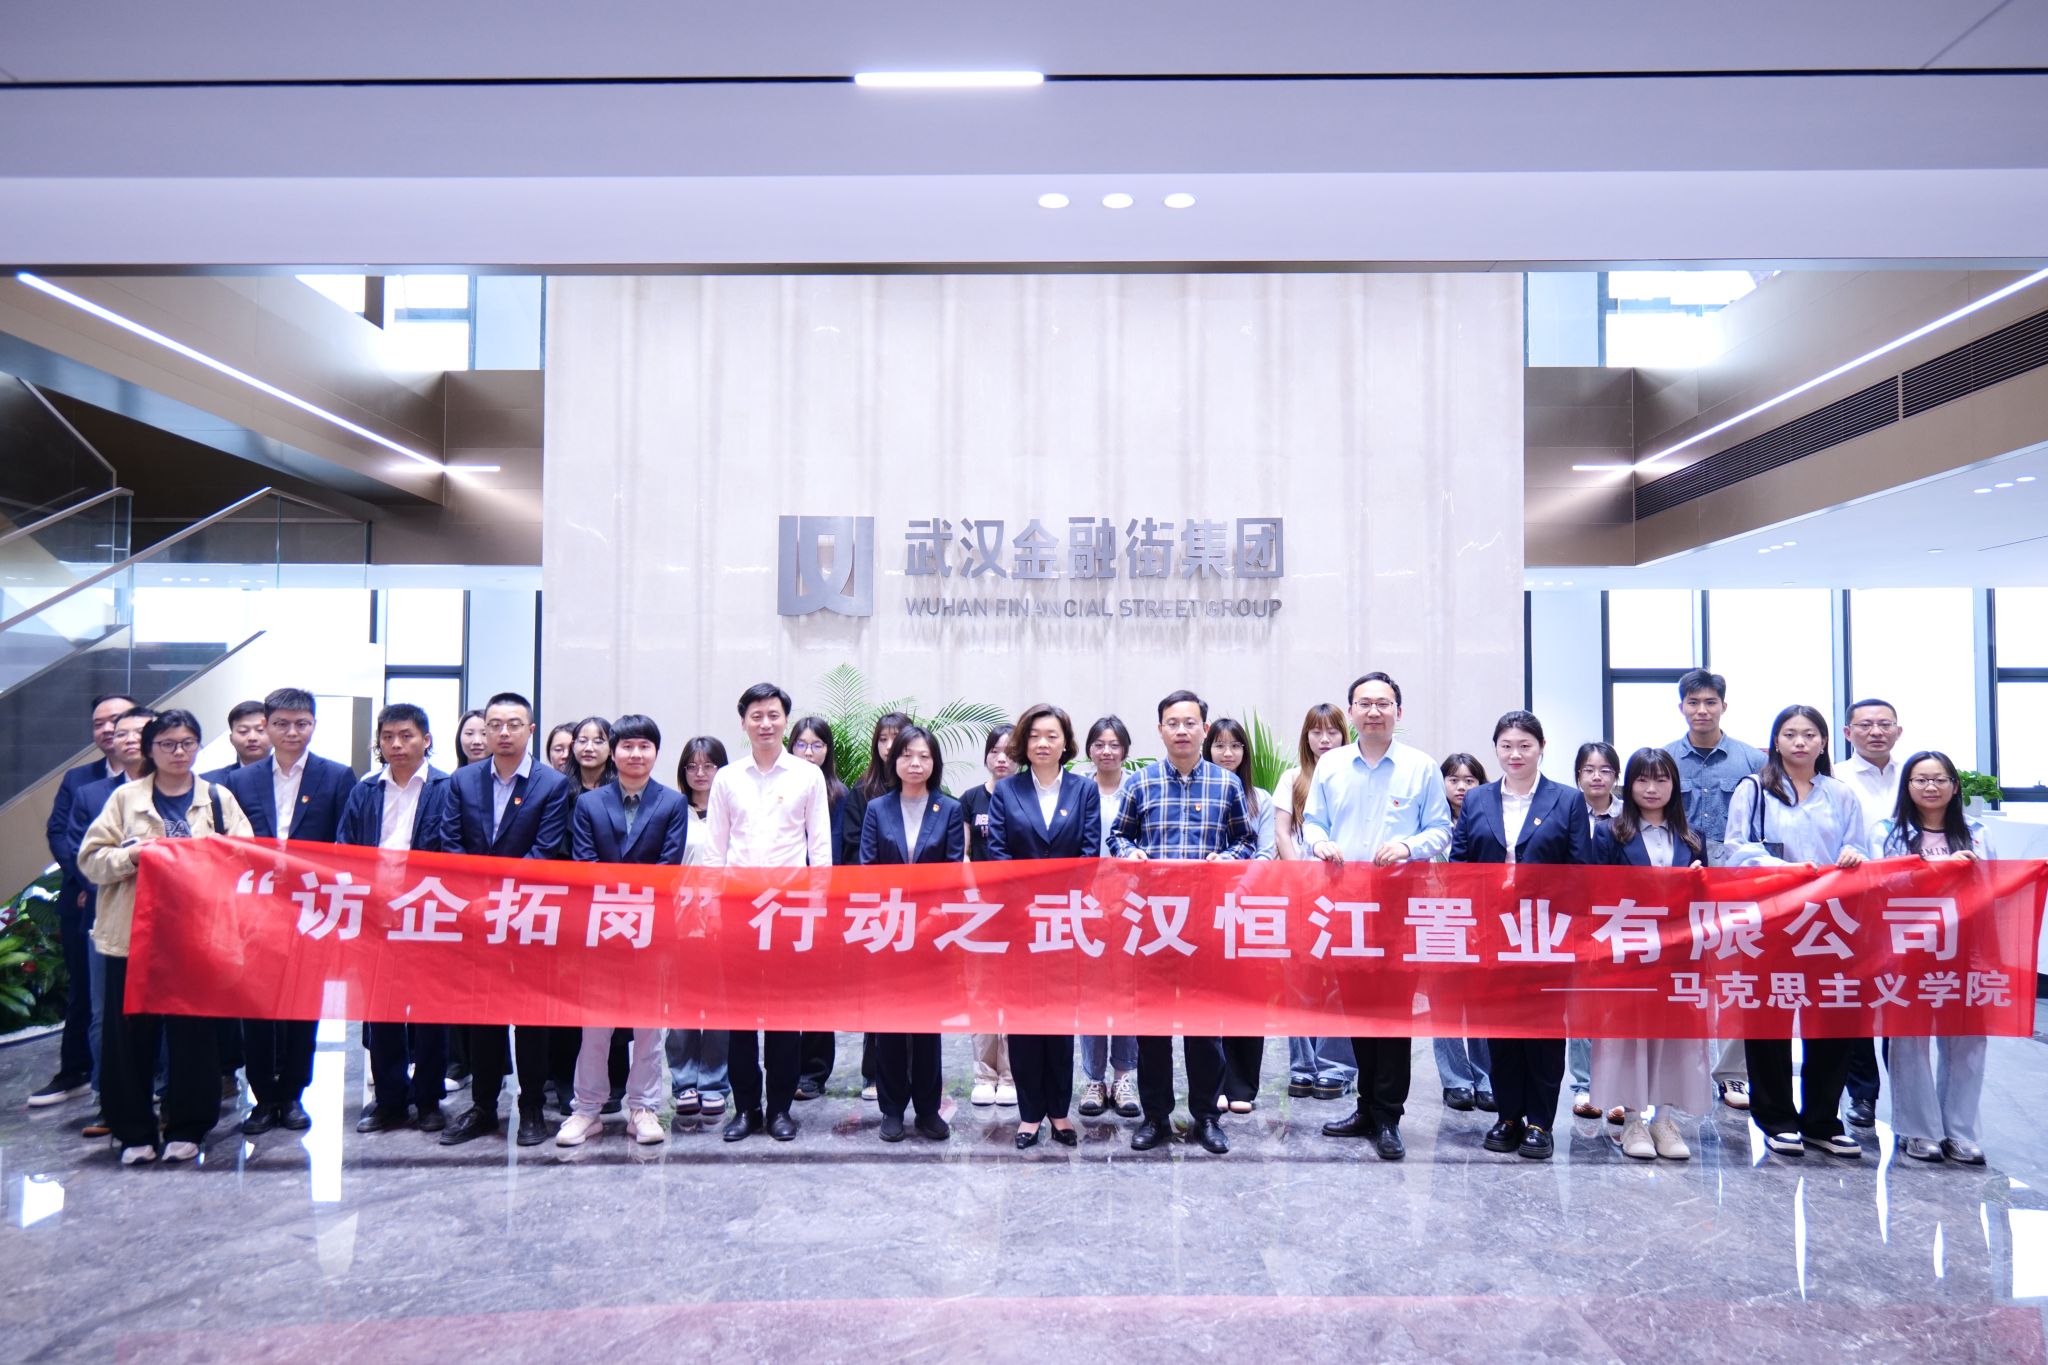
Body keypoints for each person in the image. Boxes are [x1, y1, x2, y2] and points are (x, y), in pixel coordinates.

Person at [78, 709, 253, 1164]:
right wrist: (133, 857)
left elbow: (246, 857)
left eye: (187, 743)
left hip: (196, 939)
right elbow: (91, 861)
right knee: (128, 1038)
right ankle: (133, 1132)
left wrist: (211, 857)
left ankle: (188, 1127)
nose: (179, 752)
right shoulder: (124, 799)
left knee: (193, 1037)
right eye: (168, 744)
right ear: (150, 749)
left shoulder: (216, 798)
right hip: (132, 940)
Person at [1300, 672, 1456, 1162]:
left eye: (1383, 703)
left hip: (1398, 906)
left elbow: (1441, 829)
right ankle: (1365, 1107)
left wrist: (1408, 846)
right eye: (1364, 703)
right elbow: (1312, 821)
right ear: (1351, 712)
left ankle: (1388, 1115)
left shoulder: (1420, 766)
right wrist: (1319, 842)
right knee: (1357, 1008)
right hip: (1345, 905)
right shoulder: (1331, 765)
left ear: (1398, 712)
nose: (1373, 711)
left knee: (1392, 1013)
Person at [1107, 689, 1256, 1155]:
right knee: (1152, 1029)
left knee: (1205, 1030)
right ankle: (1155, 1117)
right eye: (1173, 723)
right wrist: (1131, 854)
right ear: (1160, 730)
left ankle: (1206, 1117)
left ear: (1204, 729)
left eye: (1190, 723)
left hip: (1205, 925)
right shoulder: (1140, 783)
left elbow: (1247, 843)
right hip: (1152, 926)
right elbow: (1117, 836)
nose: (1182, 731)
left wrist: (1225, 860)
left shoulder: (1226, 785)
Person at [1723, 703, 1871, 1159]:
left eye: (1810, 734)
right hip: (1771, 919)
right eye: (1790, 734)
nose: (1800, 742)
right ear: (1776, 741)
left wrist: (1852, 856)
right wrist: (1785, 869)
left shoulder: (1840, 793)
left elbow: (1858, 846)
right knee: (1769, 1019)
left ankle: (1823, 1120)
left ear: (1824, 742)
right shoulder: (1753, 789)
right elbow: (1737, 849)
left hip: (1829, 921)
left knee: (1831, 1019)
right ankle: (1776, 1118)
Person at [435, 691, 575, 1147]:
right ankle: (482, 1107)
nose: (503, 732)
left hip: (527, 917)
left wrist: (499, 901)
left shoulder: (551, 784)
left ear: (530, 730)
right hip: (476, 918)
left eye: (514, 724)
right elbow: (451, 845)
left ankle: (531, 1105)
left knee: (531, 1017)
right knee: (483, 1016)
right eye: (494, 724)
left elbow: (545, 852)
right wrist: (478, 901)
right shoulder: (463, 780)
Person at [1453, 710, 1594, 1160]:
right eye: (1506, 746)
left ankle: (1540, 1123)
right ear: (1496, 749)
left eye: (1524, 746)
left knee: (1544, 1030)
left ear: (1541, 748)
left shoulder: (1567, 800)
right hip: (1492, 933)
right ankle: (1508, 1115)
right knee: (1500, 1029)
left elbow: (1581, 870)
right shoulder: (1478, 799)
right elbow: (1460, 865)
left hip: (1547, 933)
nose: (1515, 754)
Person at [224, 687, 357, 1137]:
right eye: (281, 724)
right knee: (257, 1006)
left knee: (303, 1004)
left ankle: (294, 1093)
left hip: (310, 908)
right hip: (256, 909)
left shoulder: (336, 776)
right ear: (267, 726)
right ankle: (263, 1098)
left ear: (314, 725)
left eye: (301, 723)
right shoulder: (240, 781)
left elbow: (346, 844)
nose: (292, 732)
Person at [704, 682, 831, 1143]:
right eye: (756, 715)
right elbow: (714, 849)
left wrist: (817, 909)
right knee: (739, 1020)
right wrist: (711, 908)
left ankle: (779, 1110)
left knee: (784, 1018)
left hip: (789, 911)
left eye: (773, 715)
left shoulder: (807, 776)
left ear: (785, 720)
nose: (765, 723)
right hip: (738, 912)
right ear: (743, 722)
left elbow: (820, 848)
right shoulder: (727, 778)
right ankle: (746, 1109)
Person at [560, 714, 687, 1148]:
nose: (636, 754)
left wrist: (632, 901)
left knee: (650, 1026)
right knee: (595, 1027)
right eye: (627, 746)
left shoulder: (672, 803)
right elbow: (585, 865)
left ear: (656, 752)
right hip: (601, 930)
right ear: (614, 753)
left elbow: (668, 869)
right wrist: (620, 902)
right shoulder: (589, 804)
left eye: (644, 746)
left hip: (653, 930)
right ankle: (587, 1110)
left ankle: (644, 1108)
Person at [985, 703, 1101, 1149]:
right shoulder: (1007, 791)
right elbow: (998, 854)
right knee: (1024, 1019)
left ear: (1065, 742)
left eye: (1052, 735)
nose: (1043, 743)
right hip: (1020, 923)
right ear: (1023, 742)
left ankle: (1059, 1111)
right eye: (1034, 736)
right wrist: (1030, 901)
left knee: (1060, 1019)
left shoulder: (1083, 790)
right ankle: (1030, 1114)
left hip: (1067, 922)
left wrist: (1057, 900)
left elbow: (1089, 854)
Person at [1872, 750, 1991, 1165]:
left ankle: (1960, 1132)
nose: (1930, 787)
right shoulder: (1887, 831)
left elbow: (1993, 887)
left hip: (1966, 949)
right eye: (1920, 779)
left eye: (1940, 779)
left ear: (1955, 787)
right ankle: (1918, 1130)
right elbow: (1882, 883)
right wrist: (1940, 870)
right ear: (1907, 786)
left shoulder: (1977, 832)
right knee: (1909, 1041)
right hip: (1908, 950)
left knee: (1968, 1042)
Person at [337, 703, 451, 1134]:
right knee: (380, 1012)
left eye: (406, 735)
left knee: (430, 1013)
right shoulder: (365, 790)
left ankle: (428, 1099)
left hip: (429, 914)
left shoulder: (447, 788)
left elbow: (456, 849)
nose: (397, 744)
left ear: (426, 739)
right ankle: (389, 1100)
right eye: (388, 737)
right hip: (376, 916)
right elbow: (345, 847)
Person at [1589, 748, 1709, 1160]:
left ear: (1674, 785)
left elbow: (1707, 902)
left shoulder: (1692, 837)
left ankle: (1664, 1119)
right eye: (1642, 779)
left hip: (1679, 954)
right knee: (1628, 1036)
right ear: (1630, 784)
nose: (1651, 788)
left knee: (1673, 1036)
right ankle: (1632, 1120)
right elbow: (1595, 893)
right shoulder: (1609, 833)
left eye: (1661, 779)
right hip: (1628, 951)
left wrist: (1699, 882)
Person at [1661, 668, 1767, 1114]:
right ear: (1681, 707)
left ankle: (1732, 1073)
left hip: (1737, 885)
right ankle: (1680, 1069)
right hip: (1678, 885)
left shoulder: (1751, 761)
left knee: (1735, 978)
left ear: (1724, 705)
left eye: (1710, 702)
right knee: (1682, 978)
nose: (1701, 710)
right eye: (1693, 702)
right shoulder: (1664, 759)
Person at [859, 724, 964, 1143]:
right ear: (894, 760)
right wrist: (894, 919)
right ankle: (891, 1109)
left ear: (934, 762)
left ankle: (927, 1109)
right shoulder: (877, 808)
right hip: (887, 931)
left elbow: (953, 872)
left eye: (924, 756)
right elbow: (867, 869)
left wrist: (928, 921)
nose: (915, 763)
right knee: (888, 1025)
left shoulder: (949, 809)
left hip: (932, 935)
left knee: (926, 1027)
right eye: (907, 755)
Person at [30, 692, 135, 1110]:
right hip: (84, 897)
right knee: (85, 991)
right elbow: (60, 833)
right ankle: (75, 1071)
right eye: (99, 723)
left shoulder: (162, 775)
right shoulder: (79, 779)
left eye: (117, 721)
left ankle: (147, 1078)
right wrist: (90, 880)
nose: (108, 729)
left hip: (143, 902)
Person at [58, 705, 155, 1138]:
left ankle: (163, 1094)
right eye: (122, 732)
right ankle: (106, 1099)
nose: (130, 739)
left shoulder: (180, 788)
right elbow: (79, 849)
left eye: (140, 732)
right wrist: (97, 881)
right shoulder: (93, 793)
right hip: (110, 914)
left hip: (168, 921)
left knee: (165, 1012)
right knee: (106, 1015)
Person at [1274, 703, 1358, 1103]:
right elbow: (1282, 834)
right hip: (1301, 895)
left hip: (1347, 896)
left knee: (1341, 981)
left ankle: (1336, 1067)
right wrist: (1301, 881)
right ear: (1305, 737)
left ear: (1344, 734)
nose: (1324, 740)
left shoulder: (1356, 777)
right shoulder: (1293, 778)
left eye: (1332, 732)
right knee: (1299, 981)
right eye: (1316, 732)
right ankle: (1302, 1066)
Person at [1836, 698, 1904, 1127]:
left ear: (1898, 730)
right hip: (1853, 903)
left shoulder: (1915, 775)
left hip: (1908, 905)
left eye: (1884, 724)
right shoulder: (1834, 779)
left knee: (1900, 996)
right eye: (1865, 725)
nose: (1875, 732)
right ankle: (1862, 1095)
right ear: (1847, 733)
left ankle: (1909, 1100)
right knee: (1856, 998)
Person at [1206, 716, 1275, 1114]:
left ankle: (1242, 1087)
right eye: (1219, 745)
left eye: (1235, 746)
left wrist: (1239, 889)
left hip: (1249, 908)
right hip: (1203, 908)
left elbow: (1265, 854)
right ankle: (1213, 1083)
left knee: (1246, 996)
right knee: (1209, 997)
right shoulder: (1200, 792)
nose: (1227, 753)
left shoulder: (1260, 799)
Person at [1077, 715, 1140, 1119]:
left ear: (1126, 750)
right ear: (1089, 749)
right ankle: (1093, 1079)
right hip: (1087, 904)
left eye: (1114, 744)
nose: (1107, 751)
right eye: (1099, 744)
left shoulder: (1137, 788)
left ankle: (1124, 1076)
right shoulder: (1078, 790)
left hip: (1132, 904)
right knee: (1091, 993)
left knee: (1129, 991)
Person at [786, 716, 851, 1103]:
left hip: (825, 903)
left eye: (817, 745)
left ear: (828, 751)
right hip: (781, 903)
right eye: (801, 744)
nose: (809, 752)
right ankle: (783, 1068)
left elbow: (840, 851)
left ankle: (813, 1072)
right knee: (784, 990)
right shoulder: (779, 789)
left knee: (816, 990)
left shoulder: (839, 795)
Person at [666, 736, 731, 1121]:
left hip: (724, 921)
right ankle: (683, 1082)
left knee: (720, 1004)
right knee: (681, 1005)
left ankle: (714, 1083)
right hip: (680, 920)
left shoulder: (733, 811)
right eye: (692, 766)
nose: (701, 773)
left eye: (709, 766)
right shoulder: (673, 812)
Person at [959, 724, 1019, 1108]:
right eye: (995, 751)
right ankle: (984, 1074)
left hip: (1020, 911)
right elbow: (963, 854)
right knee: (981, 990)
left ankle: (1011, 1075)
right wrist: (974, 898)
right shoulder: (970, 799)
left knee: (1014, 990)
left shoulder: (1027, 797)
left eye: (1010, 753)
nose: (1002, 759)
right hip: (979, 910)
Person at [1431, 753, 1493, 1112]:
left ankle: (1486, 1078)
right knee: (1444, 1003)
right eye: (1453, 779)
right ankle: (1456, 1081)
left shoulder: (1490, 820)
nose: (1461, 787)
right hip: (1438, 921)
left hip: (1483, 923)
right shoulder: (1431, 822)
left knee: (1482, 1004)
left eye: (1470, 780)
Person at [1568, 741, 1623, 1121]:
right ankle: (1584, 1085)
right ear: (1578, 776)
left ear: (1616, 776)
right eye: (1589, 770)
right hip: (1576, 920)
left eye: (1605, 770)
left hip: (1621, 919)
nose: (1597, 777)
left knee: (1618, 1006)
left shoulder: (1629, 816)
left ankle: (1617, 1086)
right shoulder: (1567, 811)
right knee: (1581, 1004)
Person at [201, 699, 272, 782]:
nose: (252, 737)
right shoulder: (209, 782)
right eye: (243, 731)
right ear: (231, 739)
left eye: (260, 730)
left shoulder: (284, 777)